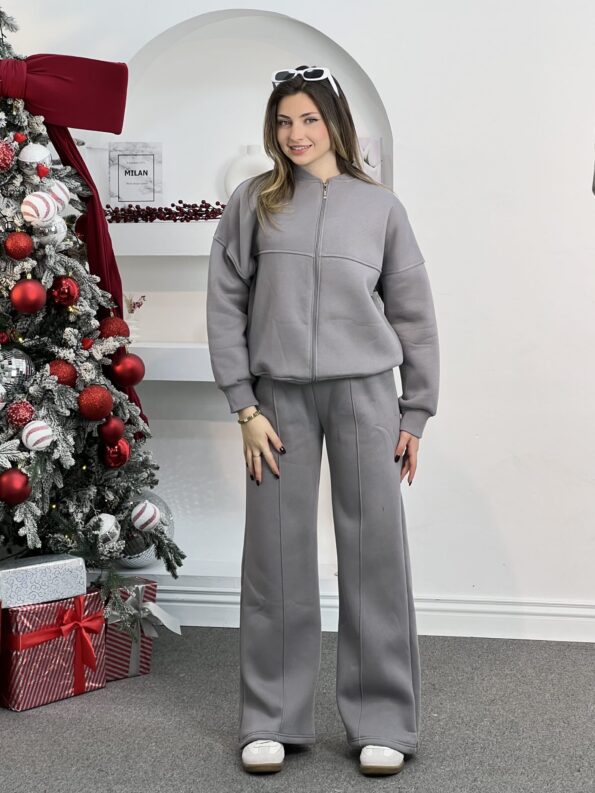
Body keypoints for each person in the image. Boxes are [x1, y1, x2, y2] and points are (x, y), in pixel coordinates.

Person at [206, 65, 440, 776]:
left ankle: (383, 721)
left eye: (308, 119)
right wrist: (244, 405)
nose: (295, 134)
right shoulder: (253, 202)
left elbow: (413, 313)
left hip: (366, 395)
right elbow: (225, 304)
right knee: (274, 558)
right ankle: (271, 719)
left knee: (375, 555)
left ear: (334, 123)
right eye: (283, 121)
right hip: (277, 401)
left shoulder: (381, 209)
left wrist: (415, 410)